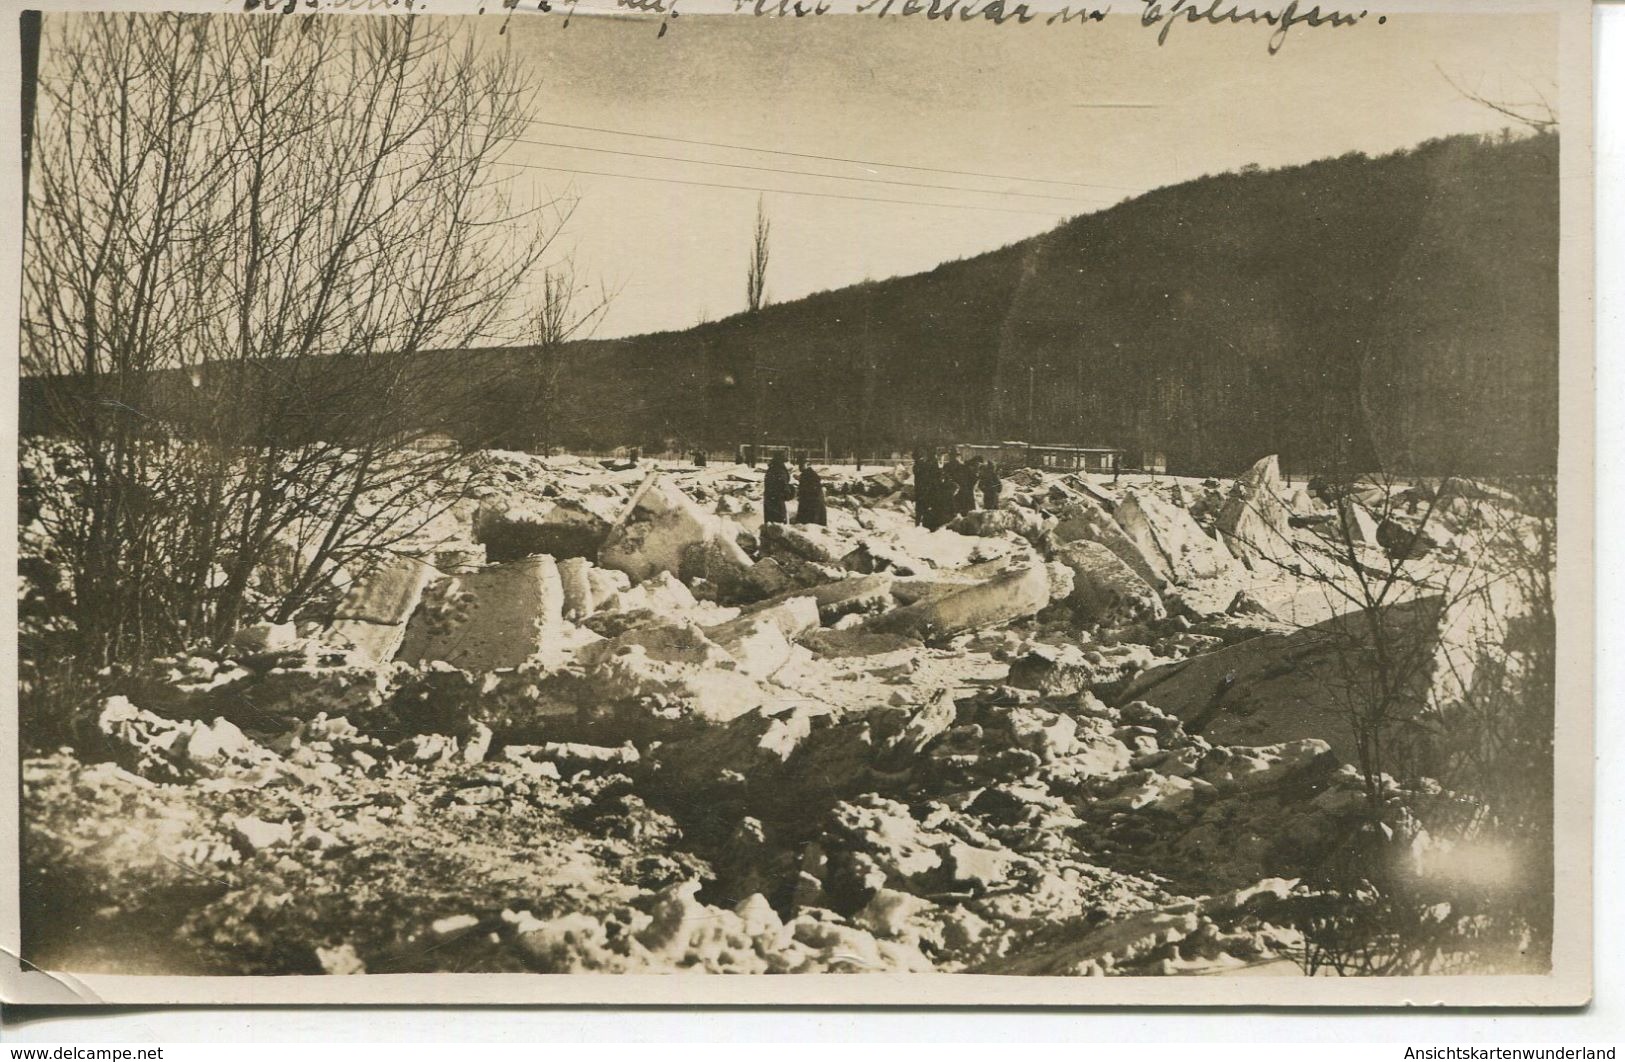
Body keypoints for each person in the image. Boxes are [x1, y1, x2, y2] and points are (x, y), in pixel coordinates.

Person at [912, 449, 940, 527]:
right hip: (926, 489)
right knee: (926, 507)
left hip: (919, 490)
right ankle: (925, 524)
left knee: (919, 508)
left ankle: (918, 524)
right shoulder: (923, 465)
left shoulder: (917, 465)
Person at [794, 462, 827, 526]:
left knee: (811, 523)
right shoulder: (809, 474)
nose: (800, 467)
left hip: (811, 502)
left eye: (802, 465)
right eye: (799, 465)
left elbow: (809, 489)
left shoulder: (808, 474)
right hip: (813, 501)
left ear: (807, 466)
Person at [763, 454, 791, 524]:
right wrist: (788, 493)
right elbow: (783, 484)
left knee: (770, 521)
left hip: (769, 498)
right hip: (778, 499)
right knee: (779, 521)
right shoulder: (780, 470)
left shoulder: (771, 469)